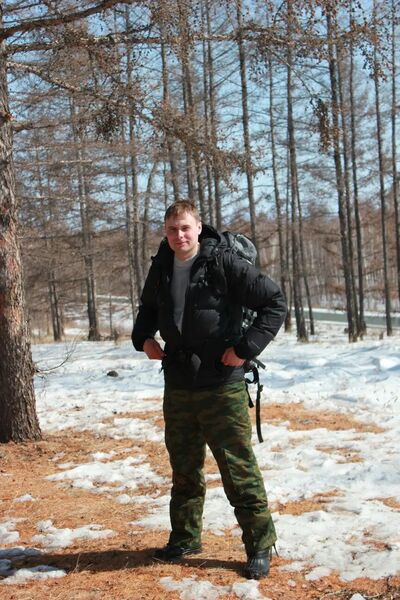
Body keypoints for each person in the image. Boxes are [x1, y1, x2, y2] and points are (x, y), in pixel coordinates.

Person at [132, 200, 286, 579]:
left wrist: (246, 349)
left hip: (221, 385)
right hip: (179, 383)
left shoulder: (221, 262)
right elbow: (147, 308)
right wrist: (143, 338)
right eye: (172, 229)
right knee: (184, 468)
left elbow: (274, 302)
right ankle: (185, 538)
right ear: (165, 232)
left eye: (185, 228)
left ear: (198, 227)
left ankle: (260, 545)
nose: (179, 236)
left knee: (237, 468)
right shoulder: (162, 265)